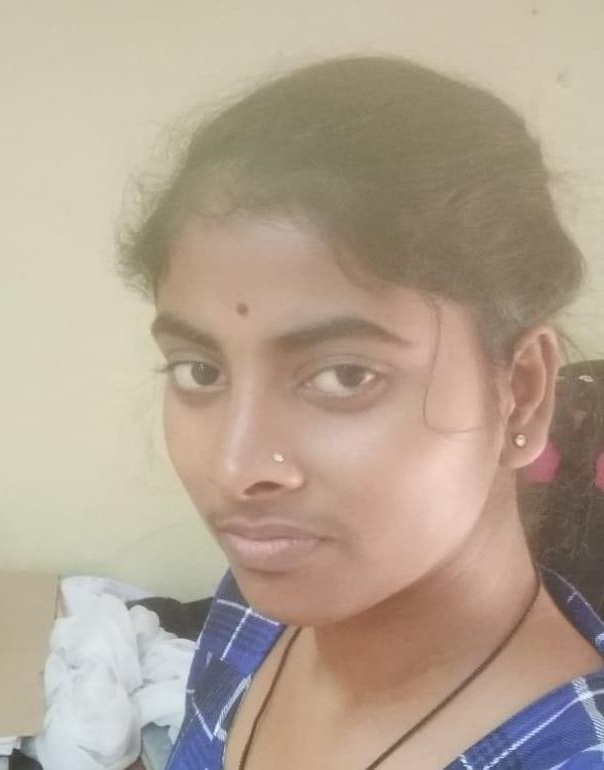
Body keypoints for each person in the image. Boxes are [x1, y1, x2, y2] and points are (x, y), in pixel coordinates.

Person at [117, 56, 604, 769]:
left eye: (345, 376)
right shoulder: (253, 616)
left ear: (521, 393)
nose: (235, 468)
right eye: (201, 371)